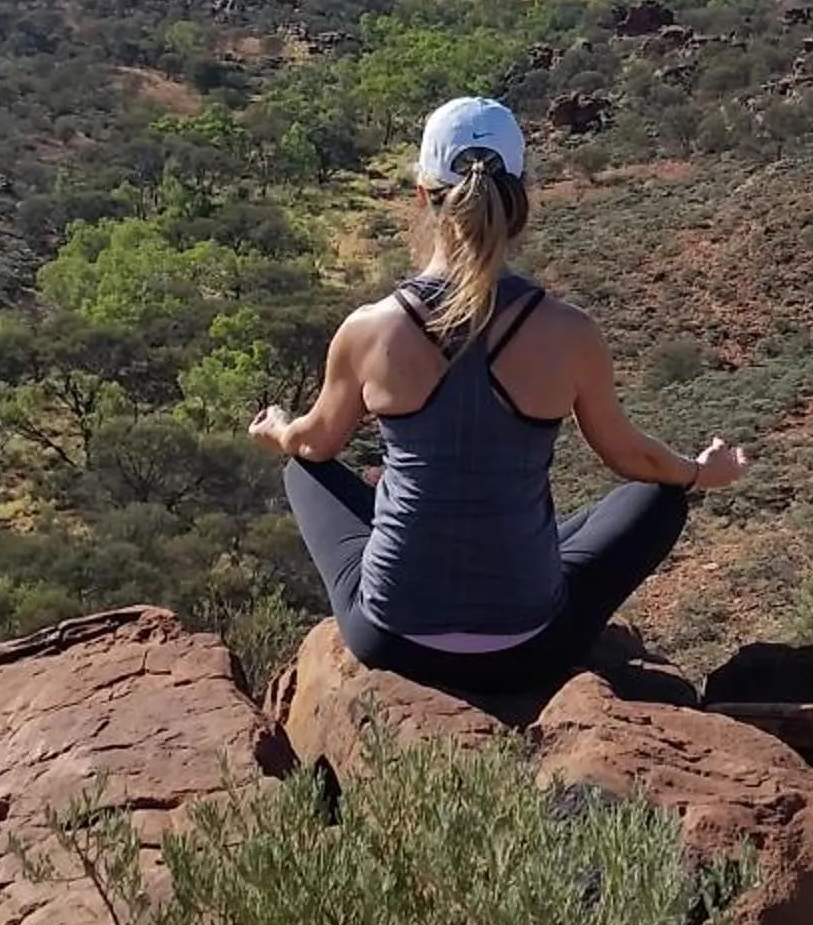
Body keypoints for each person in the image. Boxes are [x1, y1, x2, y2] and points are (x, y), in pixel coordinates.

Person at [249, 96, 749, 690]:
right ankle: (523, 568)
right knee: (660, 498)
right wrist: (700, 471)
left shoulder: (369, 330)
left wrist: (279, 428)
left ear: (421, 195)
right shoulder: (569, 332)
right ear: (522, 198)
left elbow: (316, 443)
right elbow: (630, 458)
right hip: (530, 644)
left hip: (391, 638)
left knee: (302, 471)